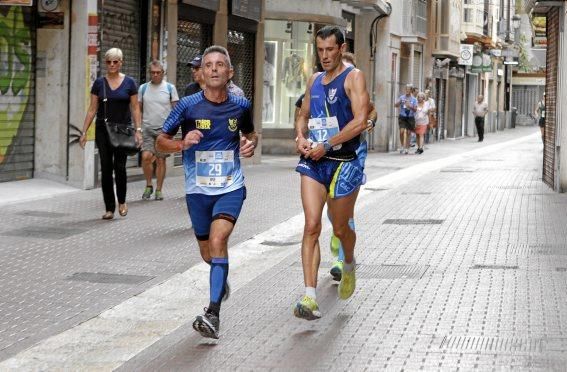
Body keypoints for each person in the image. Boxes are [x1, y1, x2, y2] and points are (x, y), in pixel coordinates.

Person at [156, 45, 257, 339]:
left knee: (218, 239)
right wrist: (181, 144)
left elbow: (250, 134)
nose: (213, 69)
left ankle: (213, 312)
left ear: (229, 72)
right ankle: (220, 276)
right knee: (207, 252)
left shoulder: (241, 106)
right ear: (201, 72)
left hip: (231, 187)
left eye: (219, 64)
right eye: (208, 65)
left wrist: (249, 145)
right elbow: (159, 141)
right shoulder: (187, 106)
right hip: (198, 191)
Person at [294, 26, 369, 320]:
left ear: (341, 47)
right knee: (311, 225)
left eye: (329, 49)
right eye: (320, 50)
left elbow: (362, 120)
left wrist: (327, 144)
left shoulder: (354, 77)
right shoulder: (313, 80)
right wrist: (300, 137)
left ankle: (348, 262)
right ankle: (309, 297)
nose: (324, 56)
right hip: (314, 160)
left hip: (345, 159)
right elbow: (303, 114)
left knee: (340, 229)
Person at [80, 48, 141, 220]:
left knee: (120, 168)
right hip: (103, 130)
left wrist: (138, 130)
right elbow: (92, 109)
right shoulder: (99, 83)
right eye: (108, 62)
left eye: (115, 61)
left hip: (122, 130)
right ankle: (109, 208)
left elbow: (135, 107)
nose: (112, 65)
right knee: (106, 169)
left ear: (121, 62)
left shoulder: (130, 83)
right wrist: (84, 131)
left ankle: (122, 201)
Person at [139, 60, 179, 201]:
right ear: (149, 73)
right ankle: (149, 184)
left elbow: (176, 110)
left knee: (161, 160)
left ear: (163, 73)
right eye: (152, 72)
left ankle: (159, 190)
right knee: (146, 157)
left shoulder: (169, 88)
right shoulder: (143, 88)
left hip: (164, 131)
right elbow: (138, 109)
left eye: (158, 72)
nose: (155, 75)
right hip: (147, 128)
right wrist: (138, 129)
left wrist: (172, 129)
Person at [394, 84, 417, 154]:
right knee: (401, 131)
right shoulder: (402, 97)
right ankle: (402, 146)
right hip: (402, 116)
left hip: (410, 117)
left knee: (408, 133)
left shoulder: (414, 99)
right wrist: (399, 102)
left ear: (411, 90)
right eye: (406, 89)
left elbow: (415, 109)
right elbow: (395, 105)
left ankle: (407, 148)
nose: (407, 90)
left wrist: (410, 106)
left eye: (408, 89)